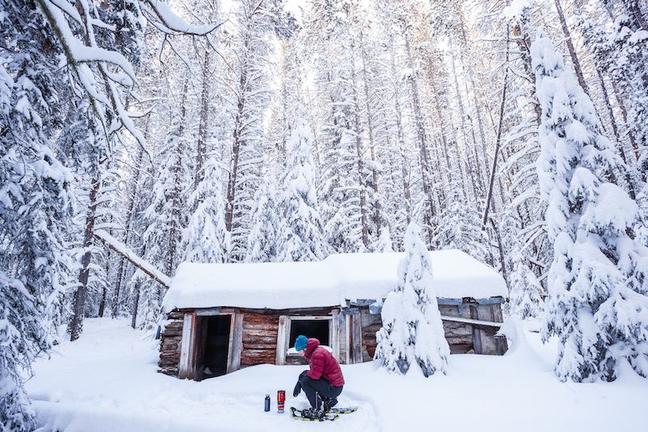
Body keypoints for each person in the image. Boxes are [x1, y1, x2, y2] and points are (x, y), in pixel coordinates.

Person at [292, 335, 344, 416]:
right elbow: (315, 373)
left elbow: (315, 376)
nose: (299, 353)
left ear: (304, 348)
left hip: (334, 388)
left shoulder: (317, 355)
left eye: (299, 350)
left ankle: (317, 408)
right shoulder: (315, 352)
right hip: (333, 384)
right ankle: (329, 400)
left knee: (306, 381)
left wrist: (301, 382)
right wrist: (300, 378)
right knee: (304, 375)